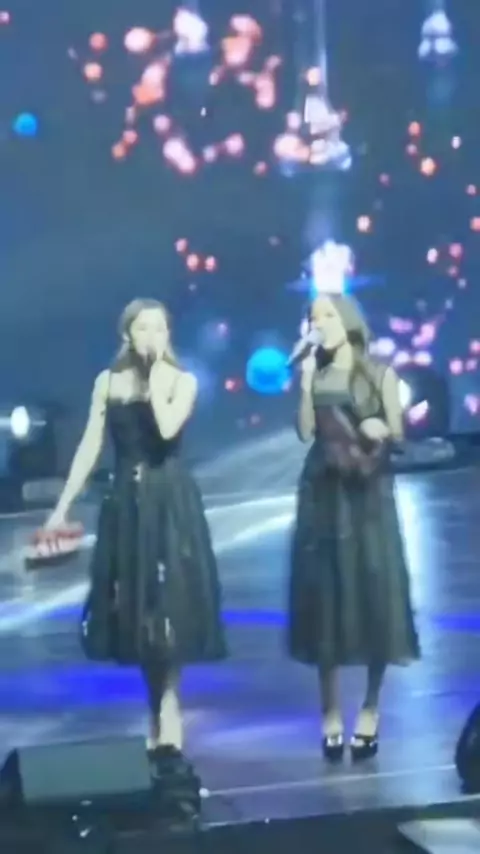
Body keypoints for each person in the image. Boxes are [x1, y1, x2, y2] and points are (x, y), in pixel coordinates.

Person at [46, 298, 226, 760]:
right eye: (143, 328)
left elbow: (166, 429)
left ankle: (170, 706)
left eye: (160, 329)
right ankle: (155, 709)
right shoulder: (108, 382)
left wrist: (157, 379)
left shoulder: (182, 381)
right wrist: (62, 507)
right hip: (127, 503)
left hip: (170, 503)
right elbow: (91, 446)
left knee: (169, 605)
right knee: (139, 607)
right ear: (127, 334)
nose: (152, 337)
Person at [288, 294, 419, 761]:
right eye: (312, 317)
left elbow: (398, 434)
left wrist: (380, 428)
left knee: (374, 593)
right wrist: (305, 381)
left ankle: (369, 708)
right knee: (326, 596)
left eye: (326, 315)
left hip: (367, 494)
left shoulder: (378, 374)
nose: (318, 323)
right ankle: (329, 711)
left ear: (346, 321)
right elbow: (305, 431)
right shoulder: (316, 375)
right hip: (323, 493)